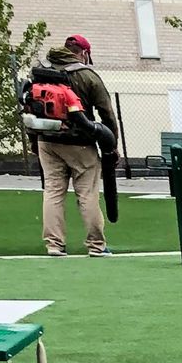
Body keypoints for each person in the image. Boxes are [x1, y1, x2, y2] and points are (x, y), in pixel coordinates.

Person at [33, 37, 117, 257]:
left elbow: (30, 106)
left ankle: (54, 244)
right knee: (87, 193)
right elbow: (106, 113)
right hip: (80, 143)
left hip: (47, 140)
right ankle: (96, 245)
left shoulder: (41, 71)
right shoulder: (87, 76)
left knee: (52, 191)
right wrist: (111, 144)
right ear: (84, 53)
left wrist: (34, 140)